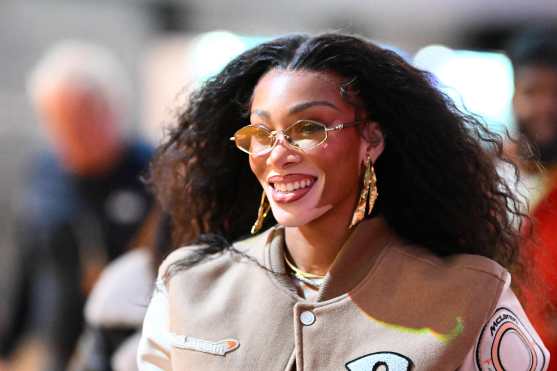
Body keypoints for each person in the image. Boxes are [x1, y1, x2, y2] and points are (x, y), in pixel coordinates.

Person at [138, 33, 549, 370]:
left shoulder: (471, 293)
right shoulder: (187, 285)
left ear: (370, 140)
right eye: (261, 133)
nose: (278, 154)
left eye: (308, 127)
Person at [1, 41, 153, 371]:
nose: (72, 135)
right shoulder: (42, 174)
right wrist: (8, 345)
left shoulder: (155, 173)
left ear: (114, 110)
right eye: (59, 123)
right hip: (56, 346)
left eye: (83, 120)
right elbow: (26, 261)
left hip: (130, 344)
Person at [504, 26, 557, 370]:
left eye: (556, 92)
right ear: (514, 98)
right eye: (532, 91)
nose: (546, 106)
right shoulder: (488, 180)